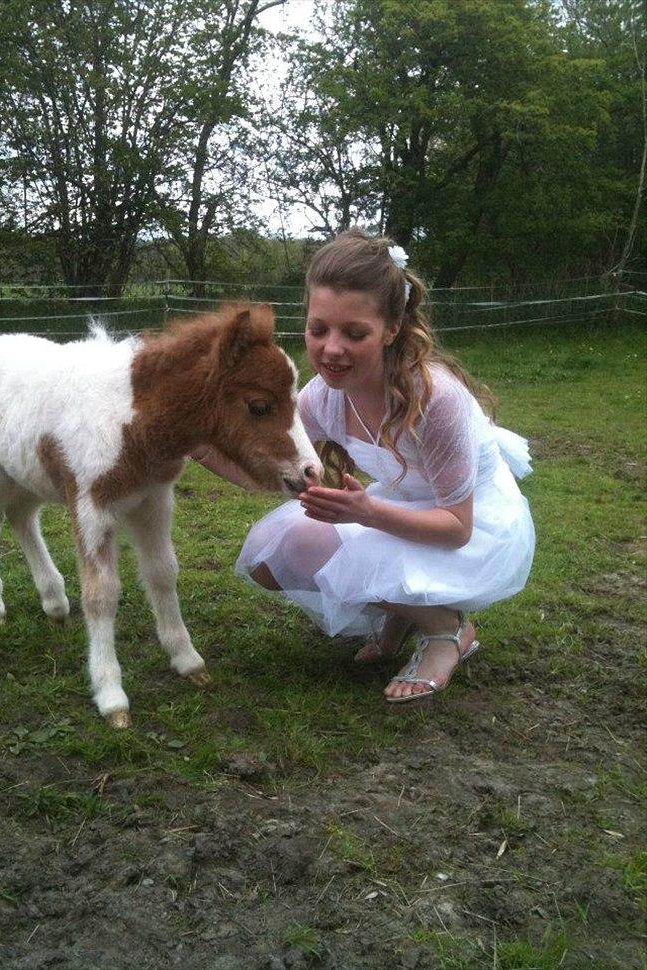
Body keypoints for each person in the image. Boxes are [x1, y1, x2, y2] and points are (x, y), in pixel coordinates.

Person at [196, 229, 535, 703]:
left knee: (311, 543)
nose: (331, 349)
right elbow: (269, 469)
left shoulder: (435, 400)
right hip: (400, 505)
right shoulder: (321, 396)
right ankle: (402, 614)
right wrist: (194, 444)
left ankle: (445, 632)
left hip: (470, 524)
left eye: (354, 334)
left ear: (392, 330)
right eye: (318, 330)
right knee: (269, 556)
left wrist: (365, 513)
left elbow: (458, 527)